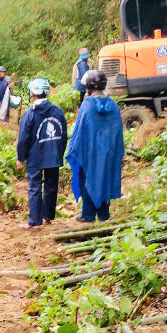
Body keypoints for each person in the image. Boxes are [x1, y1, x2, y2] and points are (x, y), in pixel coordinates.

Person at [66, 69, 125, 223]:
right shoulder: (113, 105)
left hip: (90, 152)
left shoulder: (87, 105)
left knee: (88, 179)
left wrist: (73, 150)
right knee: (105, 178)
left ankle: (88, 215)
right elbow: (117, 131)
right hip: (109, 152)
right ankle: (104, 214)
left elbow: (80, 130)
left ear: (88, 87)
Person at [15, 78, 68, 230]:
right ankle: (48, 216)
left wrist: (21, 158)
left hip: (35, 156)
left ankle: (34, 221)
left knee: (35, 187)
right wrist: (59, 152)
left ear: (33, 93)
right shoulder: (57, 111)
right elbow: (63, 135)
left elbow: (23, 139)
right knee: (51, 186)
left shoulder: (30, 114)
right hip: (53, 155)